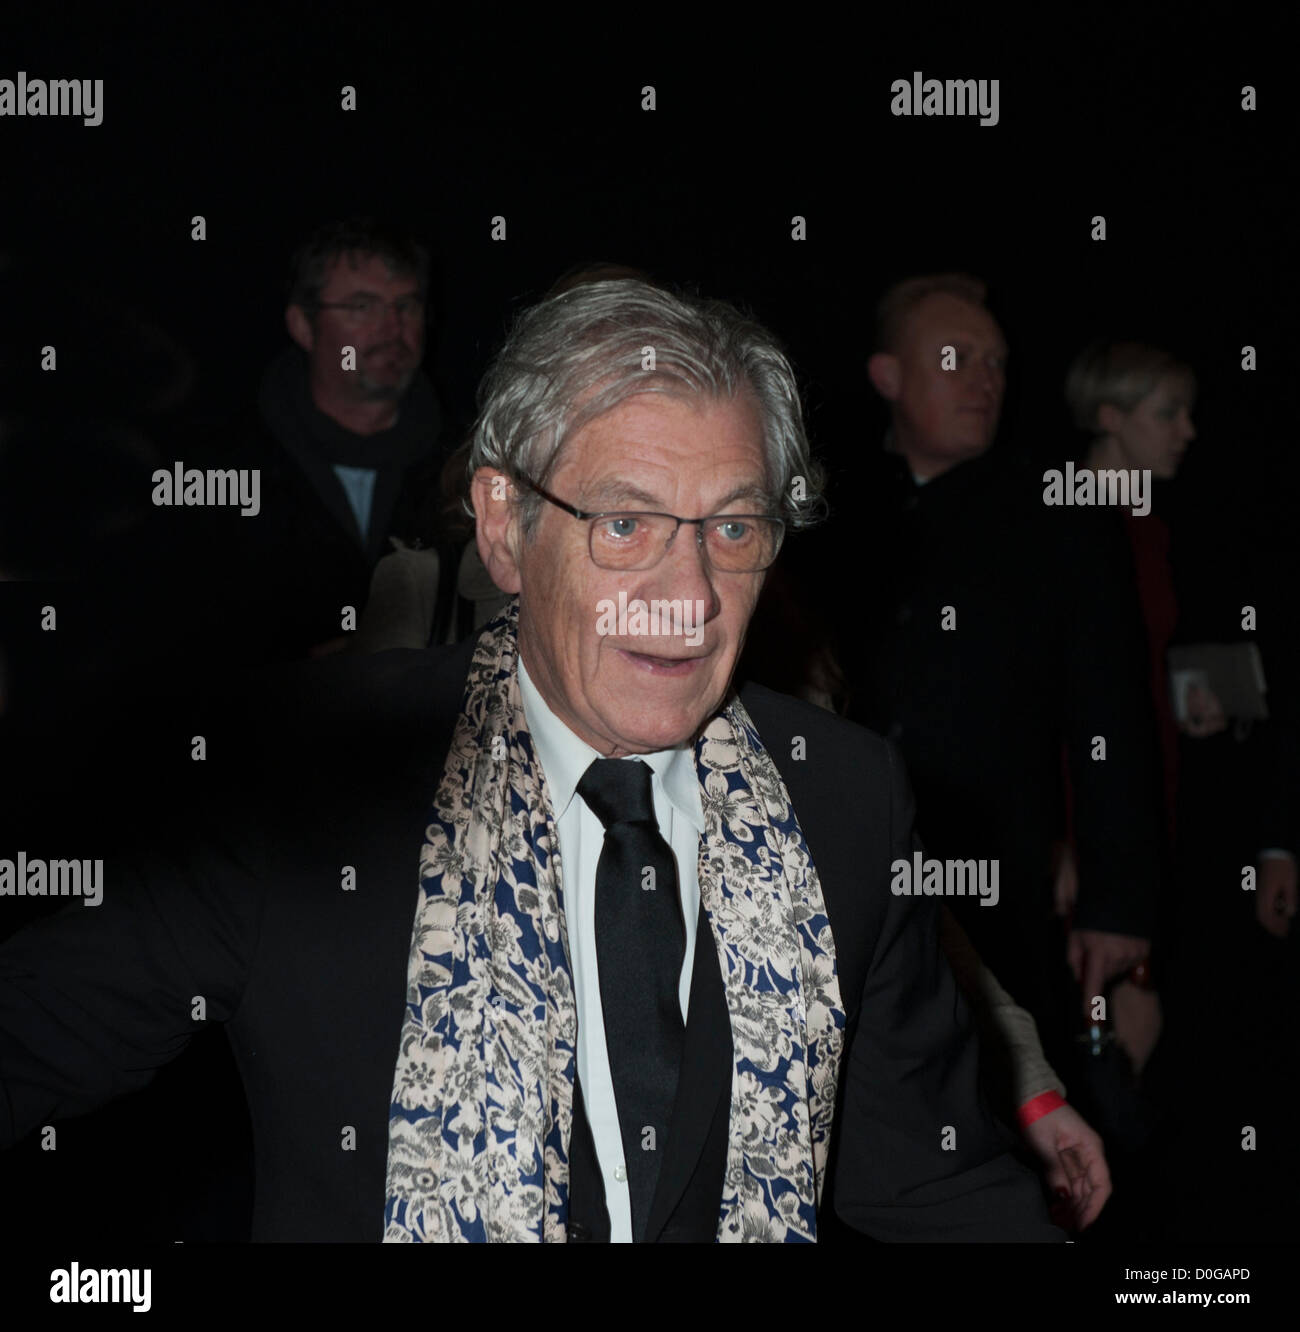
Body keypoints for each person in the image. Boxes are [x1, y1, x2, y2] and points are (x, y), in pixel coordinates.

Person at [0, 278, 1068, 1242]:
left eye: (733, 530)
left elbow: (936, 1192)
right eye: (622, 524)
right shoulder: (312, 774)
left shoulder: (841, 799)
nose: (687, 598)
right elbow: (35, 1031)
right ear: (504, 526)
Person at [843, 274, 1165, 1092]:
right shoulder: (824, 515)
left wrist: (1117, 909)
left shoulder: (1061, 514)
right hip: (840, 885)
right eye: (956, 358)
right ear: (887, 376)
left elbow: (1114, 718)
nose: (985, 377)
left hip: (1002, 901)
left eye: (996, 361)